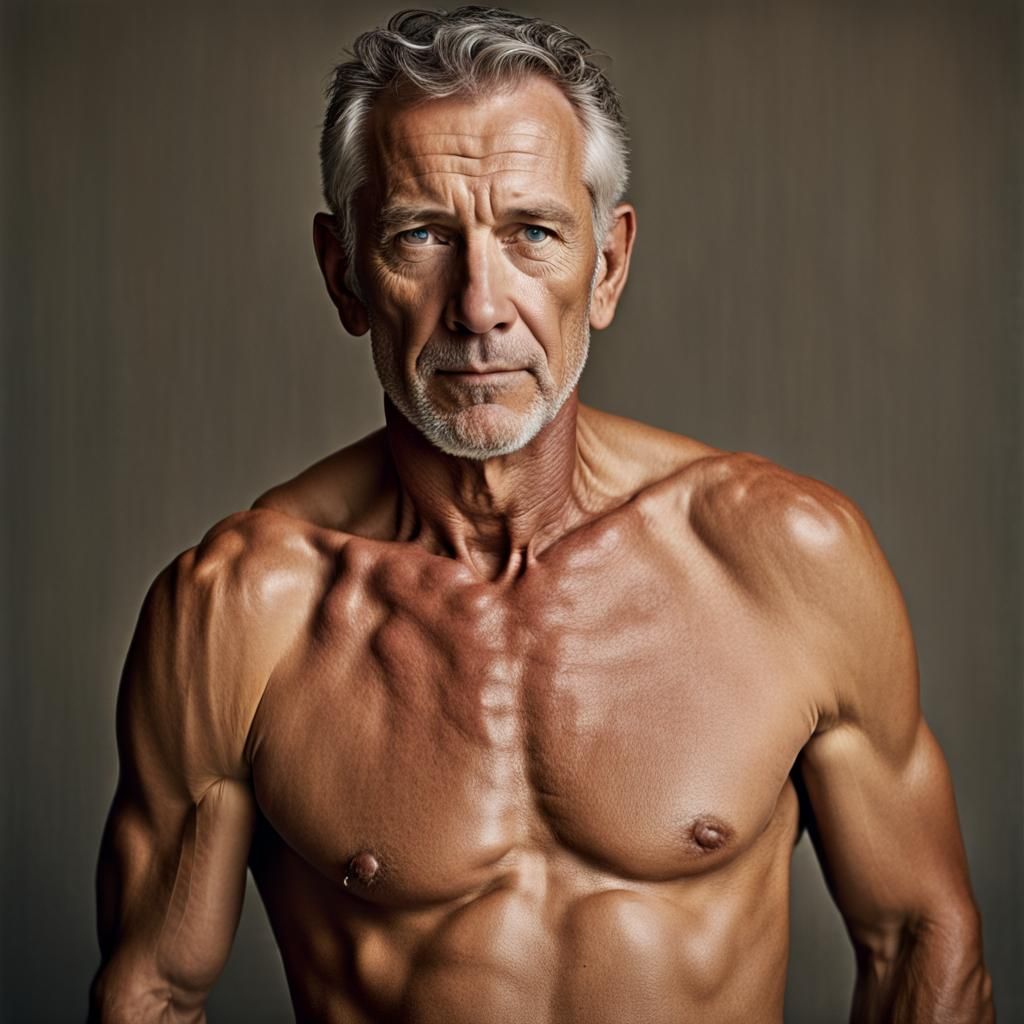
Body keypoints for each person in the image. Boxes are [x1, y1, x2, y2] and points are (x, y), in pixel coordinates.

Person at [88, 8, 994, 1023]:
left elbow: (923, 938)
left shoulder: (780, 561)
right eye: (422, 235)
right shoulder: (242, 616)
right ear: (344, 272)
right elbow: (152, 991)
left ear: (605, 266)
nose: (480, 306)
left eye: (532, 234)